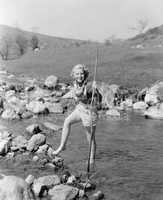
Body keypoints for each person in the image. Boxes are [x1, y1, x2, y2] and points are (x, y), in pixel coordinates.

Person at [52, 64, 102, 165]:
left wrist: (94, 90)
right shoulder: (76, 83)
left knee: (90, 138)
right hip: (80, 109)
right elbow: (77, 94)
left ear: (85, 74)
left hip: (89, 113)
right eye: (77, 74)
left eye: (82, 74)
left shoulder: (89, 85)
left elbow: (98, 99)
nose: (80, 76)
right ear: (73, 75)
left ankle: (91, 159)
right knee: (67, 121)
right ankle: (62, 146)